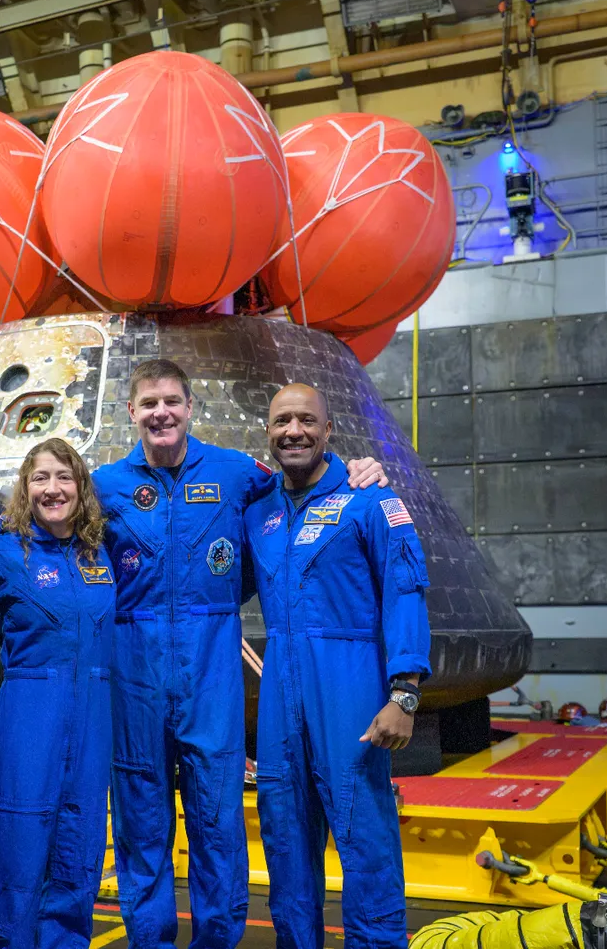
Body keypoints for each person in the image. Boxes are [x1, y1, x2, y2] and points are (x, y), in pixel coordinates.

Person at [90, 360, 388, 949]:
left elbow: (302, 483)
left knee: (216, 820)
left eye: (172, 401)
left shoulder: (235, 473)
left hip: (211, 669)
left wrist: (359, 468)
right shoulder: (104, 486)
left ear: (190, 406)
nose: (161, 413)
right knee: (140, 819)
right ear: (131, 412)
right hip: (134, 667)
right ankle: (149, 939)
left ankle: (216, 941)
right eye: (148, 403)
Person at [242, 383, 432, 949]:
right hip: (280, 693)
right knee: (285, 839)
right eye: (281, 421)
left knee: (366, 838)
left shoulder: (370, 500)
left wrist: (404, 694)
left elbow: (406, 591)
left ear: (328, 431)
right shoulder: (259, 513)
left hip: (350, 685)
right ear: (269, 432)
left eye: (306, 420)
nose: (293, 430)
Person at [0, 439, 115, 949]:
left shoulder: (99, 552)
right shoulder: (5, 552)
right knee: (18, 844)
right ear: (25, 487)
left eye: (64, 477)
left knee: (79, 847)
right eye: (41, 478)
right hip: (30, 712)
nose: (53, 489)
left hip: (94, 716)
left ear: (81, 487)